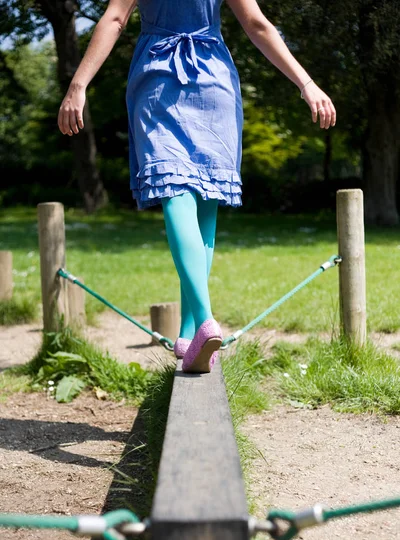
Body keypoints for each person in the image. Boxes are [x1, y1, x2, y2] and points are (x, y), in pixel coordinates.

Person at [58, 0, 336, 374]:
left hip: (158, 74)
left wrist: (78, 85)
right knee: (205, 202)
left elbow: (115, 18)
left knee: (174, 189)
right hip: (213, 77)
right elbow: (256, 24)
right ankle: (191, 335)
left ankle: (202, 322)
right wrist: (306, 83)